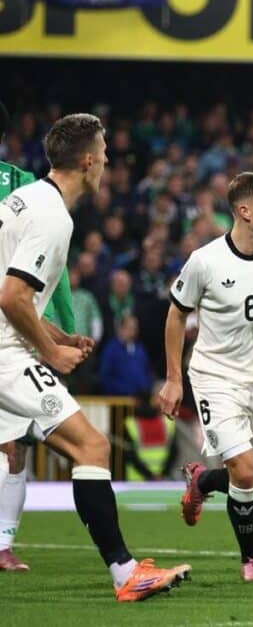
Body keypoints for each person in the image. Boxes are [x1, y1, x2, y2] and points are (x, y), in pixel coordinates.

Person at [0, 113, 190, 600]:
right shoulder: (51, 215)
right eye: (104, 154)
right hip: (6, 356)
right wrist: (50, 353)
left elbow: (12, 294)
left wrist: (58, 334)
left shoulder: (27, 201)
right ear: (88, 162)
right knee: (92, 447)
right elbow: (12, 297)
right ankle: (126, 574)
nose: (107, 163)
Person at [159, 172, 253, 582]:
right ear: (244, 212)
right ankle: (252, 559)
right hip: (216, 377)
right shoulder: (206, 261)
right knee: (244, 473)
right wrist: (174, 379)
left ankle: (203, 479)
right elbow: (176, 314)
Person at [0, 100, 76, 573]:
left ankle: (2, 540)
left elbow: (51, 268)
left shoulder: (22, 187)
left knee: (12, 441)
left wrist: (61, 331)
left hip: (8, 328)